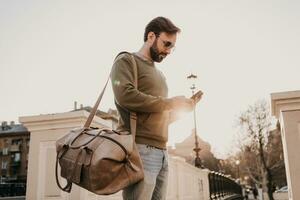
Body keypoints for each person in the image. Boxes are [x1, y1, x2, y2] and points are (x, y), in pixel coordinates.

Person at [111, 16, 201, 200]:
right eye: (166, 44)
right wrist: (170, 103)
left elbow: (161, 115)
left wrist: (184, 108)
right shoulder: (126, 61)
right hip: (140, 150)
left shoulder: (159, 74)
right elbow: (124, 96)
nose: (168, 51)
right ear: (151, 36)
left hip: (162, 153)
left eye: (172, 47)